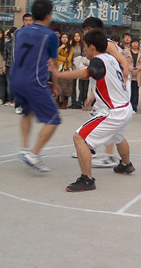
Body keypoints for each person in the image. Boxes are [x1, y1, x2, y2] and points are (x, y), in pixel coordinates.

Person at [54, 29, 135, 192]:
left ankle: (87, 180)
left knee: (79, 137)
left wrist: (59, 75)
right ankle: (126, 165)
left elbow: (86, 73)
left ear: (92, 47)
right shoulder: (111, 59)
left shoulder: (97, 61)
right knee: (118, 136)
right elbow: (106, 79)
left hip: (113, 112)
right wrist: (93, 95)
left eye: (85, 46)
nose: (84, 49)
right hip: (125, 108)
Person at [11, 0, 61, 172]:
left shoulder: (20, 32)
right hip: (34, 81)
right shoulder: (50, 35)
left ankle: (25, 148)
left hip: (16, 79)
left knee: (27, 112)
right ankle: (34, 154)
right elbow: (53, 64)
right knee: (54, 119)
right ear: (48, 15)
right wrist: (55, 84)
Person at [125, 38, 141, 113]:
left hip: (137, 74)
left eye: (136, 43)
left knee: (135, 91)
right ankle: (128, 107)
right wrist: (132, 69)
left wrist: (136, 69)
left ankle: (134, 107)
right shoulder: (126, 51)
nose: (135, 44)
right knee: (128, 91)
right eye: (133, 43)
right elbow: (125, 62)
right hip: (129, 73)